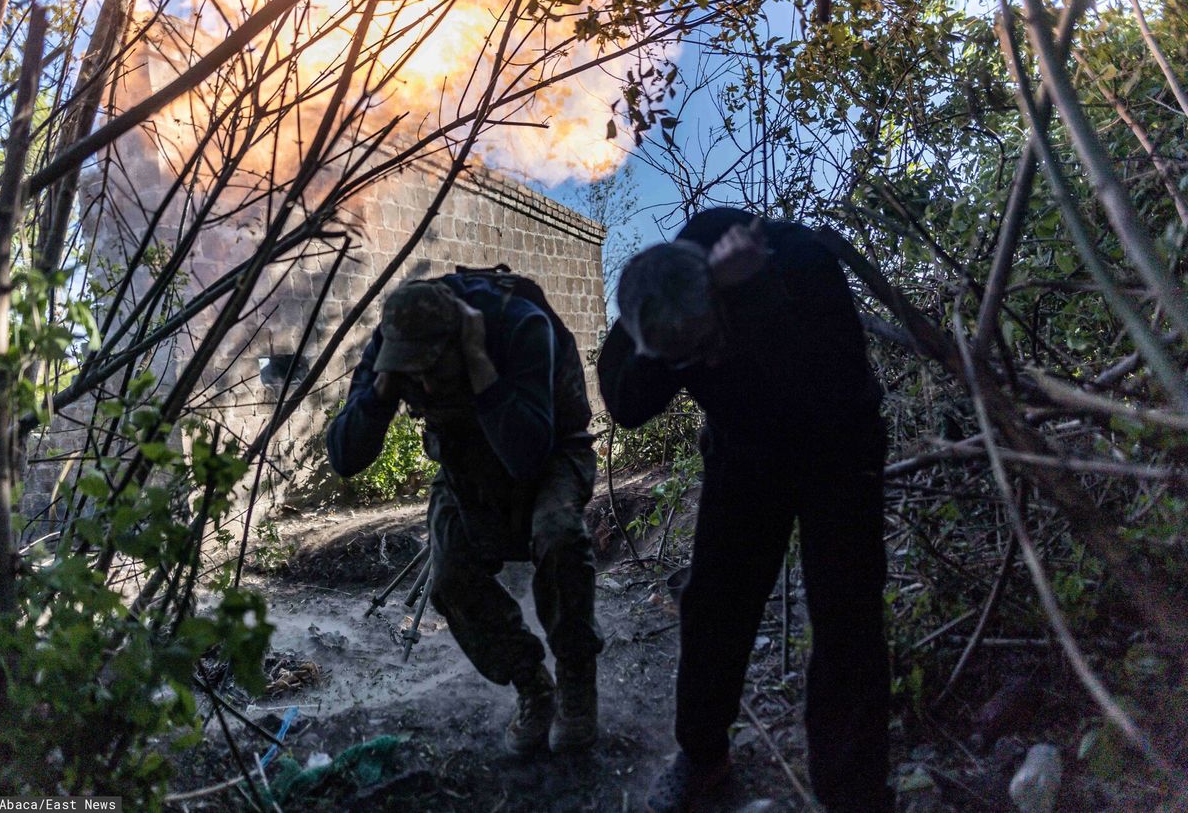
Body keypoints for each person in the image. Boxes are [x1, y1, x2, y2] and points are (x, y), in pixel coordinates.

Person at [597, 208, 892, 813]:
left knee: (846, 612)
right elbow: (626, 402)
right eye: (688, 362)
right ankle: (703, 755)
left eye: (707, 347)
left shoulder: (801, 260)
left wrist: (753, 295)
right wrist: (667, 355)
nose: (704, 365)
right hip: (743, 452)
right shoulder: (658, 291)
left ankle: (852, 791)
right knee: (714, 605)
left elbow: (826, 388)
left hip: (837, 443)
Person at [327, 267, 603, 755]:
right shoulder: (394, 343)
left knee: (559, 536)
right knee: (451, 572)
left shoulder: (519, 326)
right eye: (417, 375)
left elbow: (527, 457)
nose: (427, 389)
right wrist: (383, 387)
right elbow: (345, 457)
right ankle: (532, 684)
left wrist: (479, 366)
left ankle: (576, 679)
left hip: (551, 451)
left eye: (436, 369)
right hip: (465, 460)